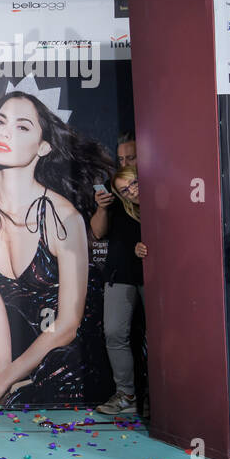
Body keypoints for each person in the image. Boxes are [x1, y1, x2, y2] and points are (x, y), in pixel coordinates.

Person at [0, 81, 114, 408]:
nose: (5, 132)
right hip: (25, 369)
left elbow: (68, 325)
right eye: (0, 122)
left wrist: (2, 381)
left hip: (78, 367)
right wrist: (3, 388)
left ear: (43, 147)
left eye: (22, 126)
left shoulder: (62, 216)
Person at [92, 162, 146, 415]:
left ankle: (165, 397)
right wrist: (102, 207)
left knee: (162, 338)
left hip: (155, 277)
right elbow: (98, 232)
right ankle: (126, 395)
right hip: (120, 275)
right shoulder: (116, 208)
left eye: (133, 183)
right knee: (114, 333)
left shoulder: (160, 201)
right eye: (124, 190)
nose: (132, 191)